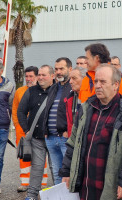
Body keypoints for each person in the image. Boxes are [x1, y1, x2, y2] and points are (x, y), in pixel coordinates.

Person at [59, 64, 122, 200]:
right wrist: (66, 171)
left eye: (103, 82)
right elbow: (73, 142)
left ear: (115, 85)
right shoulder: (86, 108)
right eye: (96, 81)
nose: (98, 85)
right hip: (85, 185)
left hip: (110, 188)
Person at [18, 65, 55, 200]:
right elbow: (21, 111)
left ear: (52, 76)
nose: (40, 77)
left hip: (53, 138)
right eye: (39, 74)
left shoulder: (58, 91)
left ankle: (59, 195)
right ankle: (32, 195)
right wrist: (27, 130)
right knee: (37, 168)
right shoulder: (31, 91)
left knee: (55, 168)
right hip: (36, 138)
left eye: (44, 75)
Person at [12, 66, 48, 192]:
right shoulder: (19, 91)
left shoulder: (43, 90)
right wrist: (17, 125)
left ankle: (42, 182)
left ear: (37, 76)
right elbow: (16, 109)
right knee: (24, 156)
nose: (28, 79)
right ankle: (25, 182)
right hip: (23, 130)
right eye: (26, 76)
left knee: (40, 156)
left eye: (31, 76)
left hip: (38, 130)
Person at [44, 57, 72, 185]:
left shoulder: (72, 88)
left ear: (70, 69)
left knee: (68, 173)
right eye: (56, 69)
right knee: (56, 172)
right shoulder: (53, 88)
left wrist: (68, 130)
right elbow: (47, 110)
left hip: (64, 138)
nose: (58, 72)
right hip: (50, 137)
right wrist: (45, 129)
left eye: (62, 68)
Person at [0, 59, 15, 194]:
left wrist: (11, 126)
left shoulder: (9, 86)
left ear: (1, 71)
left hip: (2, 127)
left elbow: (12, 106)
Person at [63, 67, 87, 137]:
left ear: (85, 79)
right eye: (70, 78)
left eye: (74, 78)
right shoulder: (70, 98)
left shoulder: (92, 99)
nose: (70, 81)